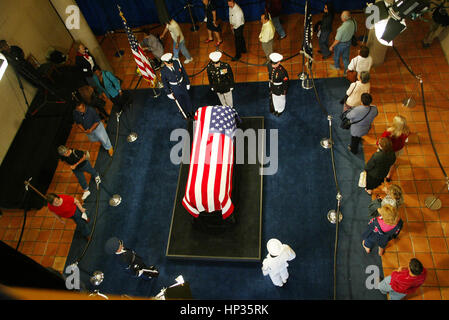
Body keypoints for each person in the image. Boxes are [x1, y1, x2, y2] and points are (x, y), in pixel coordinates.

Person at [160, 52, 194, 119]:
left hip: (182, 84)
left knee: (187, 98)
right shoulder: (163, 71)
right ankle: (185, 113)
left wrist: (187, 83)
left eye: (171, 62)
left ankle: (190, 112)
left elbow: (184, 73)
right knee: (180, 101)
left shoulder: (177, 62)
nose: (171, 64)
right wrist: (168, 92)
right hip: (175, 88)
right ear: (165, 63)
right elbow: (165, 83)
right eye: (169, 63)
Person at [378, 115, 410, 182]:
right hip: (398, 150)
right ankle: (388, 176)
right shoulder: (407, 131)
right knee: (392, 163)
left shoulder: (389, 132)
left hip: (388, 150)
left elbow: (381, 140)